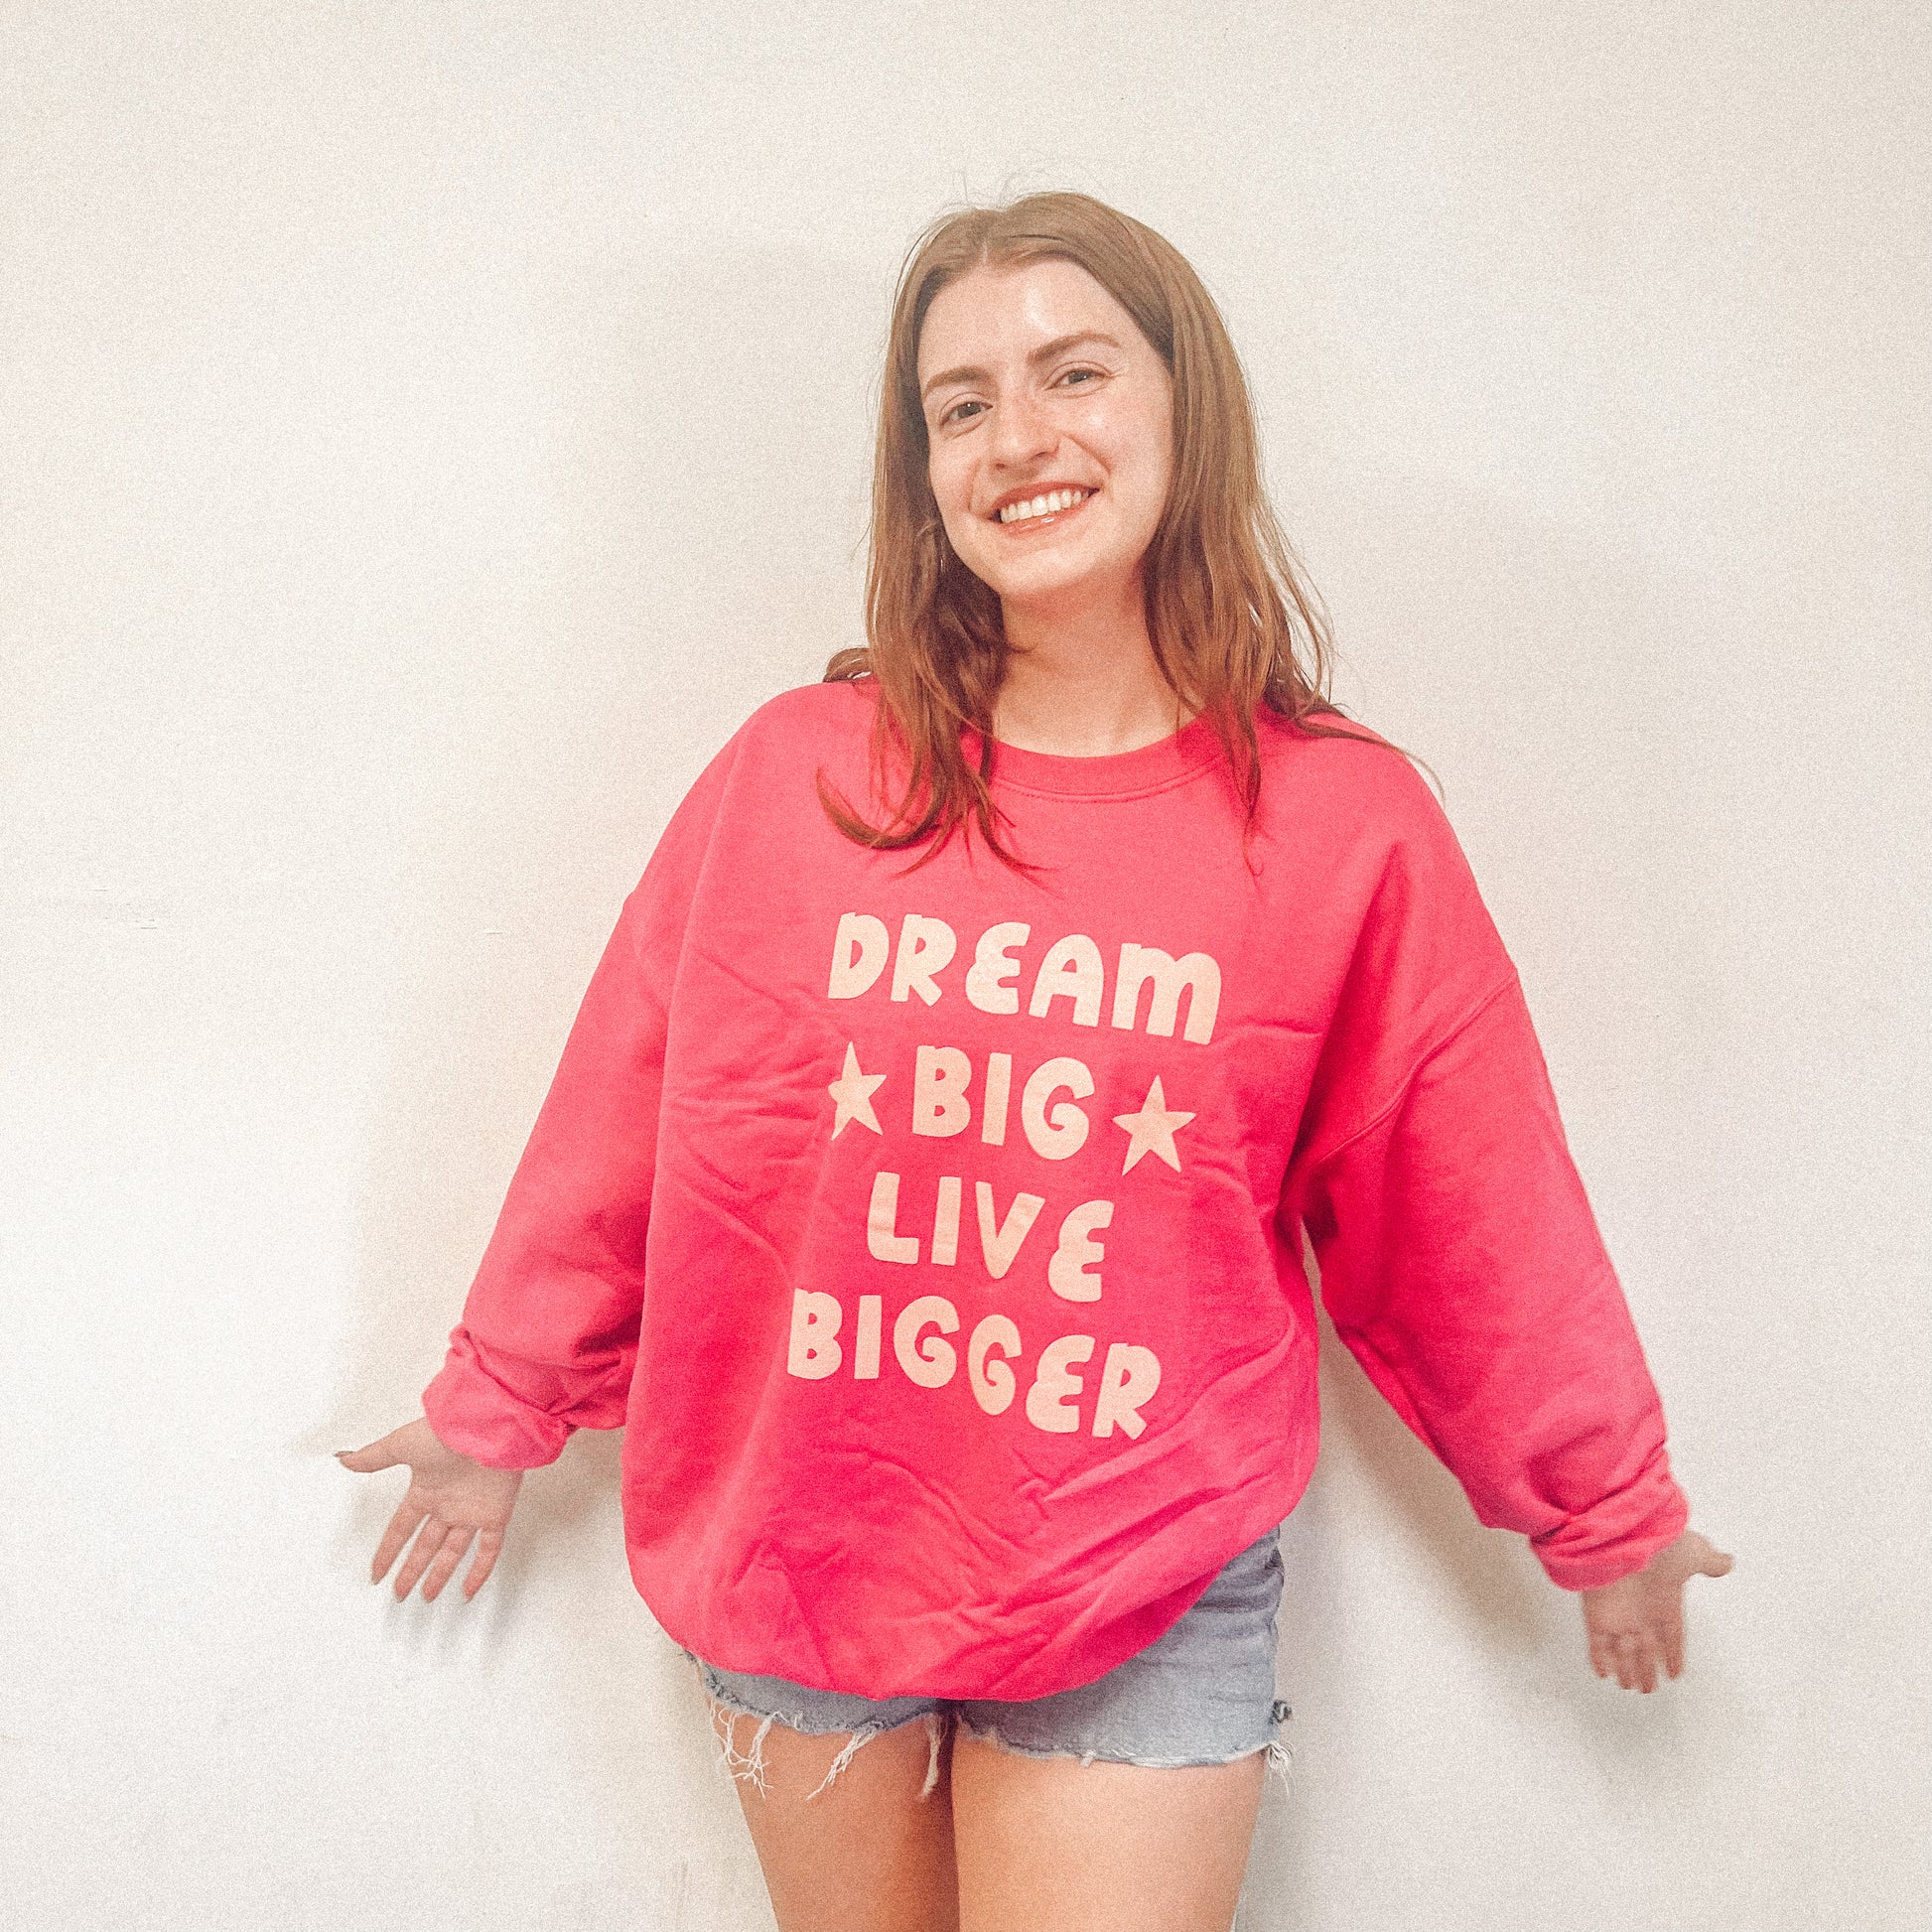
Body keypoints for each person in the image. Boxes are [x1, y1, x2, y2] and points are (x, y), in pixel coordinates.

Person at [338, 192, 1732, 1932]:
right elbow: (629, 1113)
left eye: (1073, 372)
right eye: (961, 403)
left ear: (1182, 402)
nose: (1018, 437)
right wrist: (498, 1402)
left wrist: (1603, 1505)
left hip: (1137, 1571)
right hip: (803, 1552)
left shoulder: (1338, 824)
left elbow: (1465, 1199)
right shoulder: (795, 777)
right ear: (922, 468)